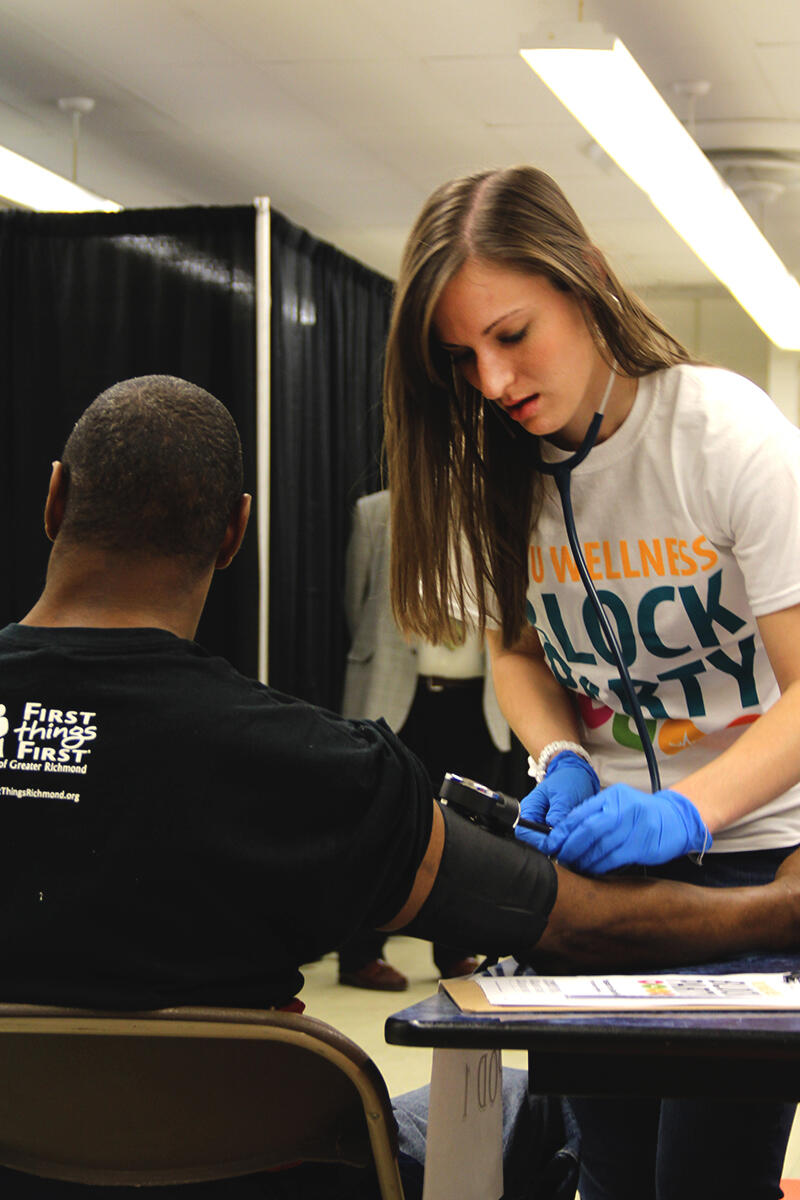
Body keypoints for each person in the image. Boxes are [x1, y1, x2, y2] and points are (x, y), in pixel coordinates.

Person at [5, 376, 800, 1200]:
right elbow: (575, 929)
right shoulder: (310, 769)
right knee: (538, 1106)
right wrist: (777, 907)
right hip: (248, 1176)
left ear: (55, 497)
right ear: (235, 531)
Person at [381, 164, 800, 1200]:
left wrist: (690, 814)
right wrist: (558, 754)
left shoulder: (723, 434)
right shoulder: (495, 472)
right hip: (598, 884)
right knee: (602, 1170)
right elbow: (517, 651)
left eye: (511, 335)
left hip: (758, 871)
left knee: (701, 1176)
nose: (490, 382)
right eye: (459, 356)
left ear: (586, 282)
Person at [338, 487, 508, 988]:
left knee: (472, 832)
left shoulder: (503, 514)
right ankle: (360, 954)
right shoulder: (376, 513)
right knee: (382, 827)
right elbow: (357, 605)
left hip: (480, 699)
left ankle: (454, 951)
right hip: (399, 695)